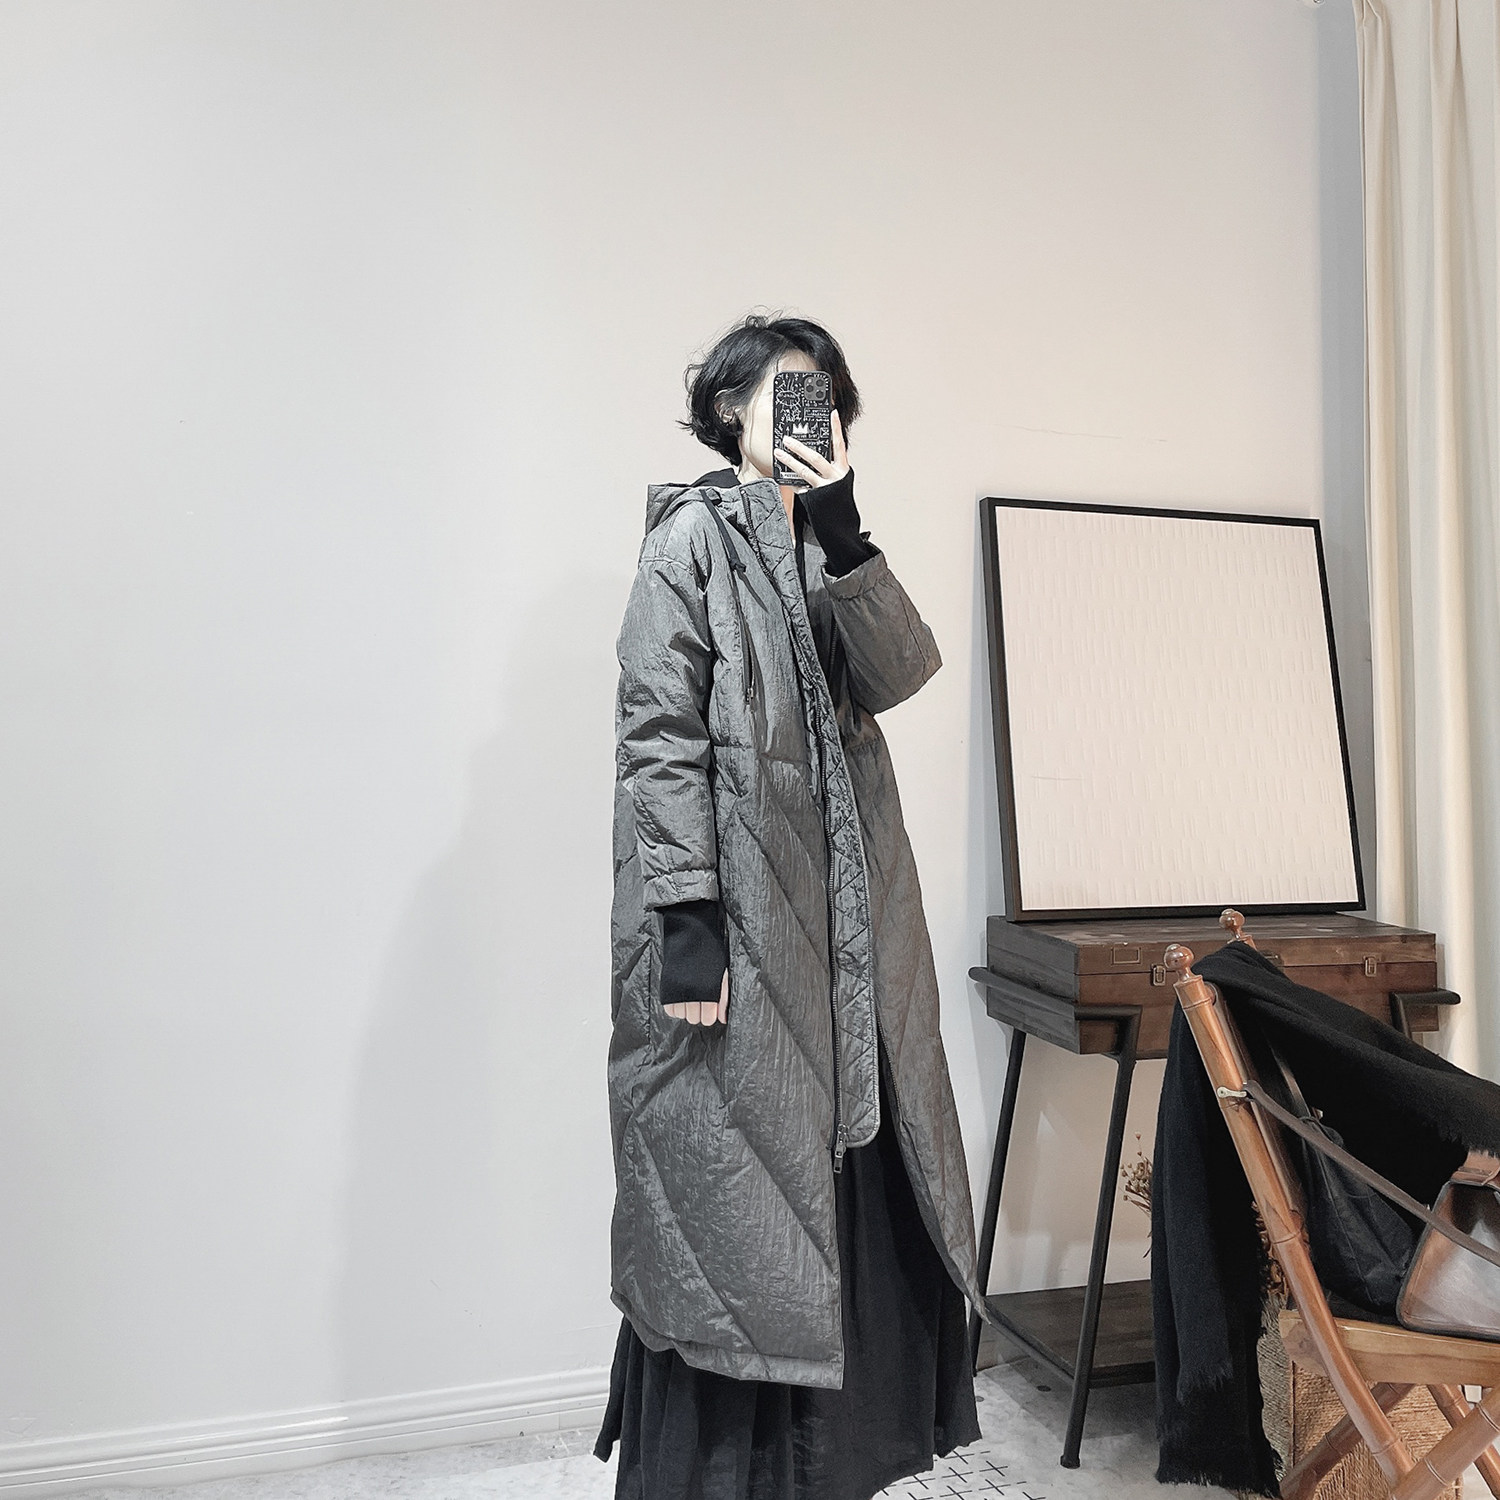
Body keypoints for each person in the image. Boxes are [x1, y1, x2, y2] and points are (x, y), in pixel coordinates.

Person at [594, 313, 995, 1500]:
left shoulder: (827, 544)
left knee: (860, 1164)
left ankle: (838, 1464)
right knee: (736, 1192)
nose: (807, 411)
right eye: (786, 391)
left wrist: (849, 530)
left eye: (823, 395)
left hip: (851, 935)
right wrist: (686, 926)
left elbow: (902, 672)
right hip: (738, 933)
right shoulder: (689, 542)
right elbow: (657, 737)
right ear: (730, 411)